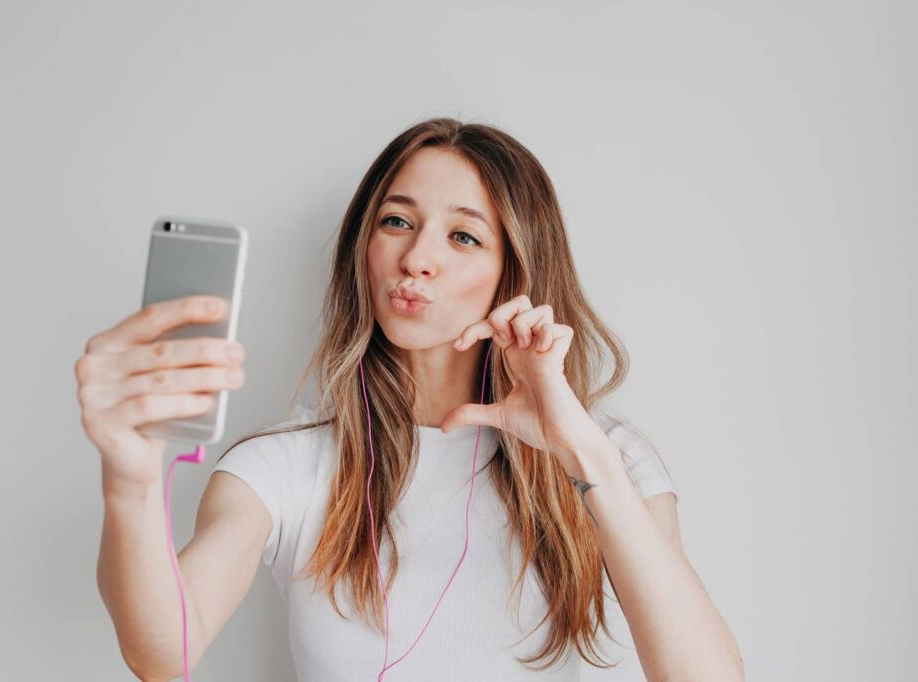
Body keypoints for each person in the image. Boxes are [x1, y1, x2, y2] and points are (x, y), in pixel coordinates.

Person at [78, 117, 745, 681]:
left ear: (514, 271)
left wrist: (581, 452)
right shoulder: (284, 466)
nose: (417, 258)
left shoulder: (609, 461)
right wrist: (129, 478)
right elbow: (164, 653)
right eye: (397, 221)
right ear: (363, 249)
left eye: (463, 236)